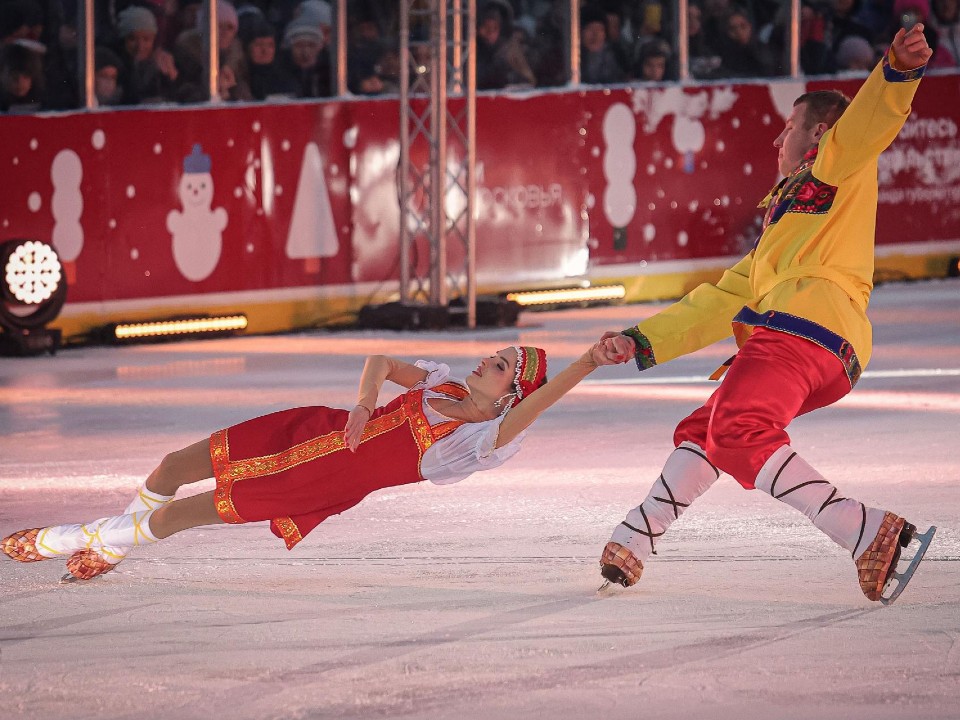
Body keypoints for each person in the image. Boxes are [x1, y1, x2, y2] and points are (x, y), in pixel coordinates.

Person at [595, 25, 936, 604]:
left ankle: (861, 528)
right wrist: (639, 338)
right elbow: (723, 298)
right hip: (818, 343)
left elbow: (865, 125)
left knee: (735, 428)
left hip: (805, 331)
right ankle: (639, 535)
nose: (778, 139)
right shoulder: (783, 227)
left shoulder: (834, 166)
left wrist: (897, 73)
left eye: (788, 128)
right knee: (709, 428)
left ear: (817, 135)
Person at [3, 344, 607, 582]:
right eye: (494, 354)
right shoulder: (440, 386)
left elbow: (544, 402)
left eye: (500, 366)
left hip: (322, 479)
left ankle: (65, 539)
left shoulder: (478, 442)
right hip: (311, 427)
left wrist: (584, 364)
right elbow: (380, 359)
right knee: (170, 466)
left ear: (511, 395)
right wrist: (364, 405)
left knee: (186, 514)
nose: (486, 361)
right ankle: (109, 549)